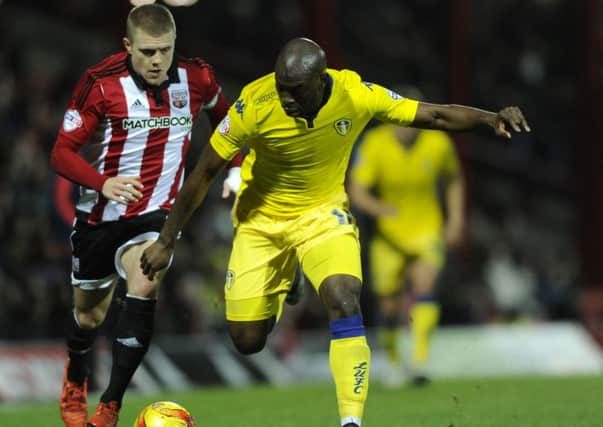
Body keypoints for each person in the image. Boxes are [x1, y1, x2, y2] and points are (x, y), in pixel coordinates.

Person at [140, 37, 530, 427]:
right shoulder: (254, 103)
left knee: (344, 297)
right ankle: (290, 277)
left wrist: (489, 118)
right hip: (261, 223)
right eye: (281, 87)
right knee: (247, 341)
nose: (285, 98)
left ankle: (351, 421)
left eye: (294, 91)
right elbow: (205, 171)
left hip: (323, 215)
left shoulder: (354, 93)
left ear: (319, 82)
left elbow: (435, 117)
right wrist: (166, 239)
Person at [50, 4, 239, 427]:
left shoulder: (198, 78)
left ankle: (110, 405)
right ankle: (76, 374)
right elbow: (61, 153)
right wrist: (103, 183)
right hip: (100, 217)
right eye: (148, 52)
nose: (157, 61)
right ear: (127, 46)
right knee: (89, 317)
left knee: (145, 282)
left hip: (157, 217)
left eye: (165, 51)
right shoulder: (100, 84)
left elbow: (228, 119)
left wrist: (238, 166)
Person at [348, 87, 466, 386]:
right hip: (388, 236)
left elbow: (454, 179)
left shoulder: (438, 142)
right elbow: (357, 190)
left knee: (425, 284)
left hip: (426, 230)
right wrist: (380, 209)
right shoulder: (374, 145)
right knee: (388, 304)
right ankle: (392, 360)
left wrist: (455, 219)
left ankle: (421, 359)